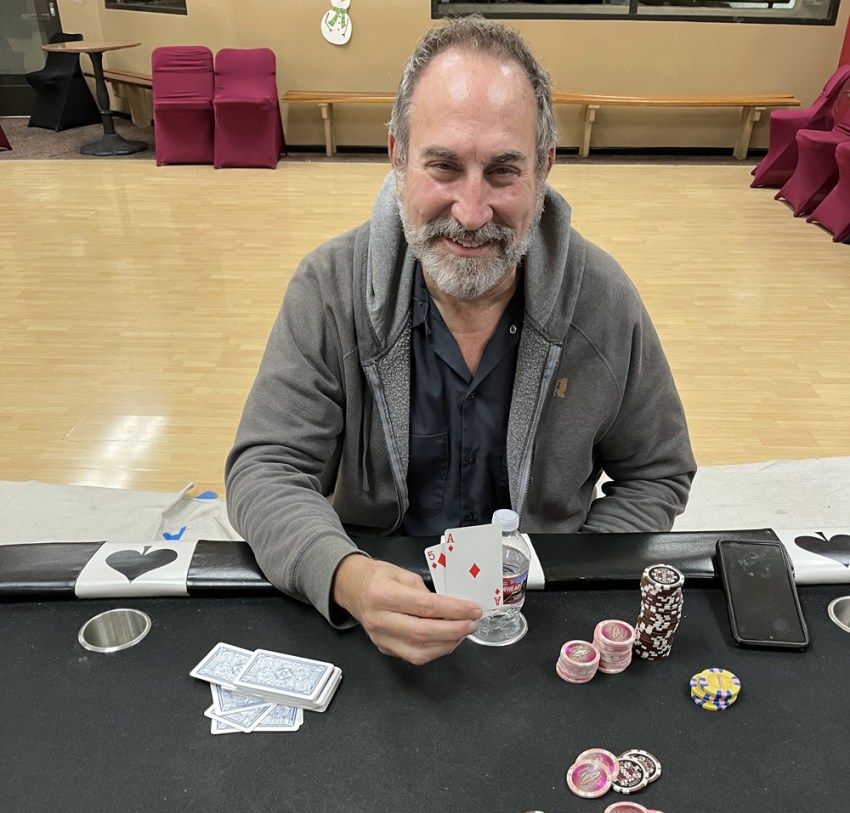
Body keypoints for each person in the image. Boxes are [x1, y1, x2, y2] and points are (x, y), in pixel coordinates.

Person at [225, 16, 697, 666]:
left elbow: (658, 472)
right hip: (367, 612)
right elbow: (266, 468)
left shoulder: (604, 301)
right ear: (397, 156)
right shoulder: (327, 289)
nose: (472, 214)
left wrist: (568, 573)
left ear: (544, 167)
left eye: (503, 172)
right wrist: (345, 576)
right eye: (444, 167)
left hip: (539, 623)